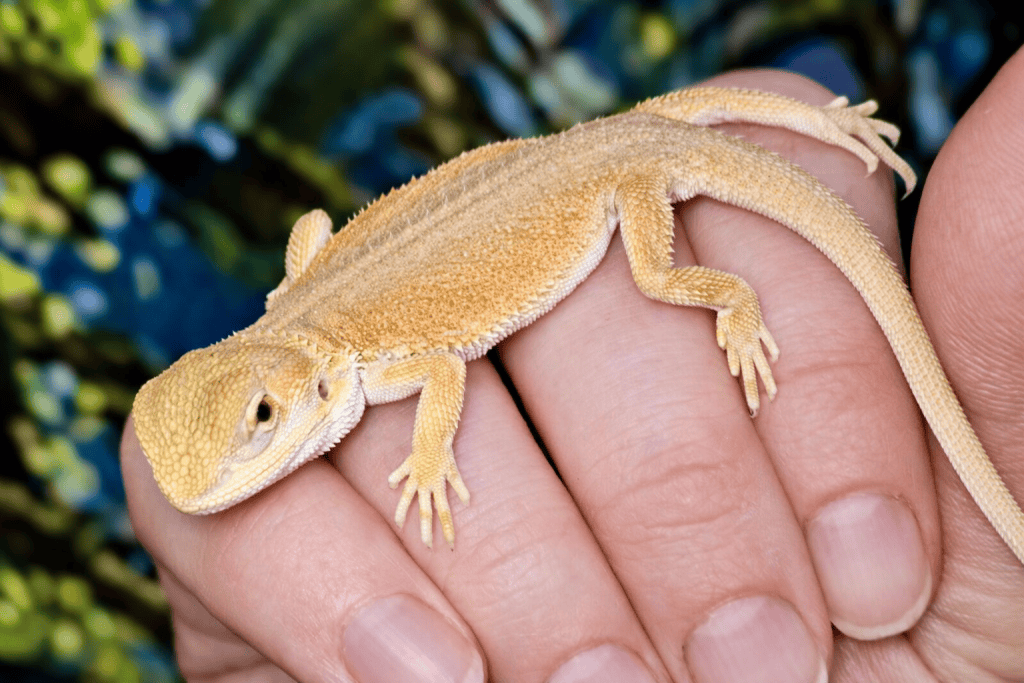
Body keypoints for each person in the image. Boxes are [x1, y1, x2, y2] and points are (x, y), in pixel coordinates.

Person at [120, 55, 1024, 683]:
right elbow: (313, 233)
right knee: (671, 136)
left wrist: (429, 459)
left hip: (615, 172)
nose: (211, 475)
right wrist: (811, 118)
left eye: (262, 422)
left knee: (660, 275)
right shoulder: (309, 313)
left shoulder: (360, 362)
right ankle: (812, 121)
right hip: (597, 146)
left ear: (303, 387)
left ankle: (736, 291)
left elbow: (439, 369)